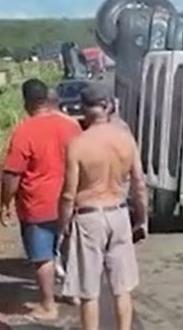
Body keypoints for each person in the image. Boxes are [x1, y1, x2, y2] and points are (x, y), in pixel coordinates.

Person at [59, 82, 147, 330]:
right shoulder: (126, 140)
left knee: (89, 291)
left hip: (88, 217)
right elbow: (139, 185)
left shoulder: (78, 145)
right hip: (118, 213)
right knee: (122, 288)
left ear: (83, 109)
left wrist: (63, 226)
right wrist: (141, 219)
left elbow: (68, 194)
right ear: (108, 106)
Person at [0, 78, 82, 321]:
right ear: (47, 98)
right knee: (68, 247)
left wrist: (5, 204)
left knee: (42, 256)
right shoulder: (71, 127)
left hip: (38, 205)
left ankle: (48, 305)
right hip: (70, 200)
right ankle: (73, 293)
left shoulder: (25, 131)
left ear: (27, 102)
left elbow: (13, 174)